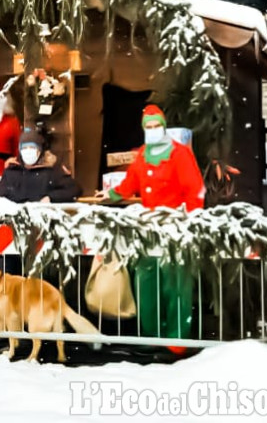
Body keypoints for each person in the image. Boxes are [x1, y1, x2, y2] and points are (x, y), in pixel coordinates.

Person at [101, 104, 205, 351]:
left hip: (175, 227)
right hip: (148, 229)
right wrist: (111, 194)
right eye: (148, 127)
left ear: (164, 126)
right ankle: (151, 336)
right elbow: (129, 184)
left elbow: (195, 190)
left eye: (156, 125)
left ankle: (176, 341)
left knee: (176, 285)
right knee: (146, 283)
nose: (153, 130)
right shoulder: (143, 155)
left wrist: (189, 221)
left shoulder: (179, 154)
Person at [0, 128, 81, 203]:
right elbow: (0, 199)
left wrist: (51, 197)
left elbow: (74, 189)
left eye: (32, 147)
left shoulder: (52, 170)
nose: (28, 151)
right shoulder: (12, 171)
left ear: (40, 150)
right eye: (24, 148)